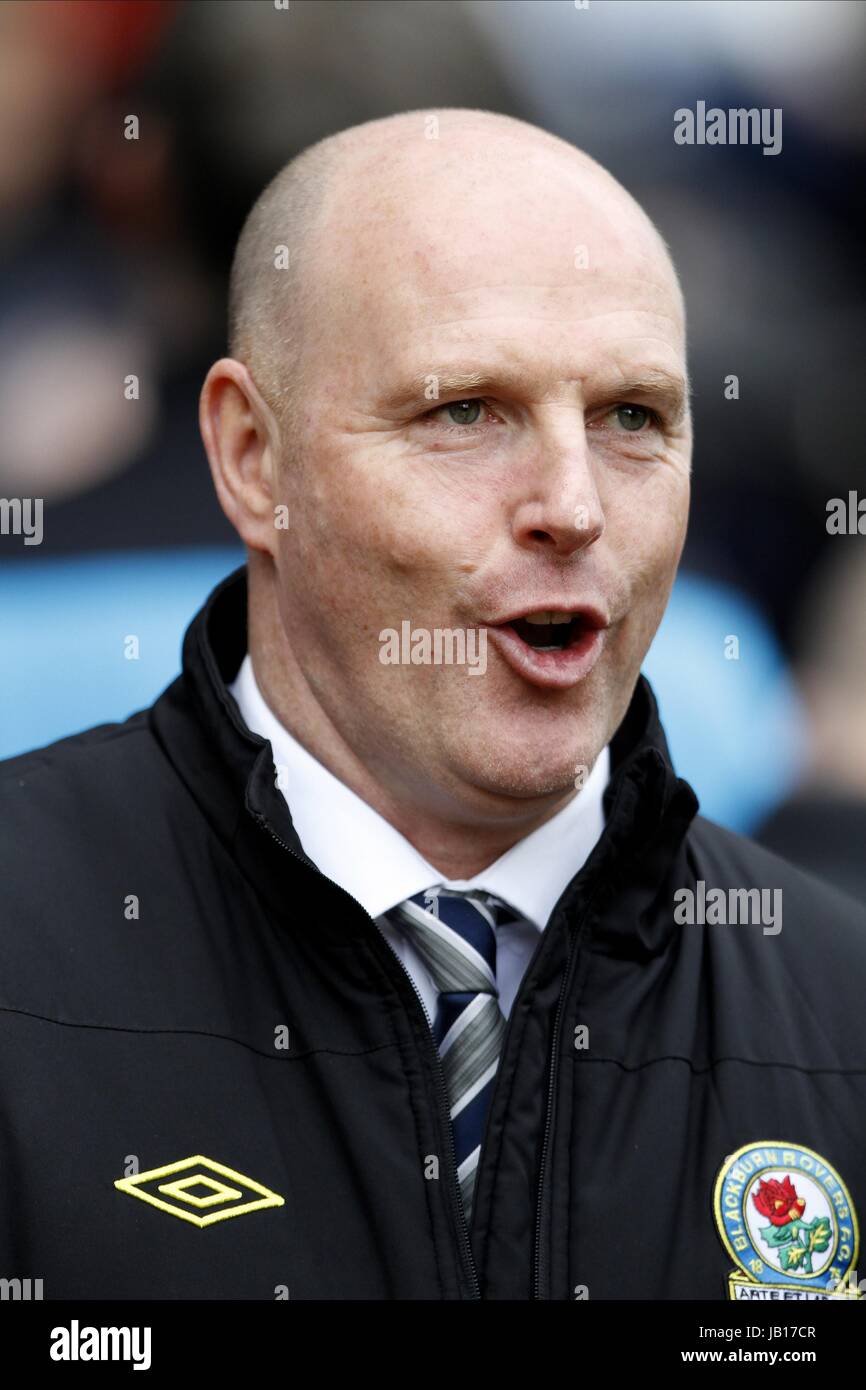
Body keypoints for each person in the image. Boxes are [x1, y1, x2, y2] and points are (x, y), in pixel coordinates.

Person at [2, 109, 864, 1302]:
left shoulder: (839, 1009)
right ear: (255, 458)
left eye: (631, 418)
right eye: (464, 411)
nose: (571, 505)